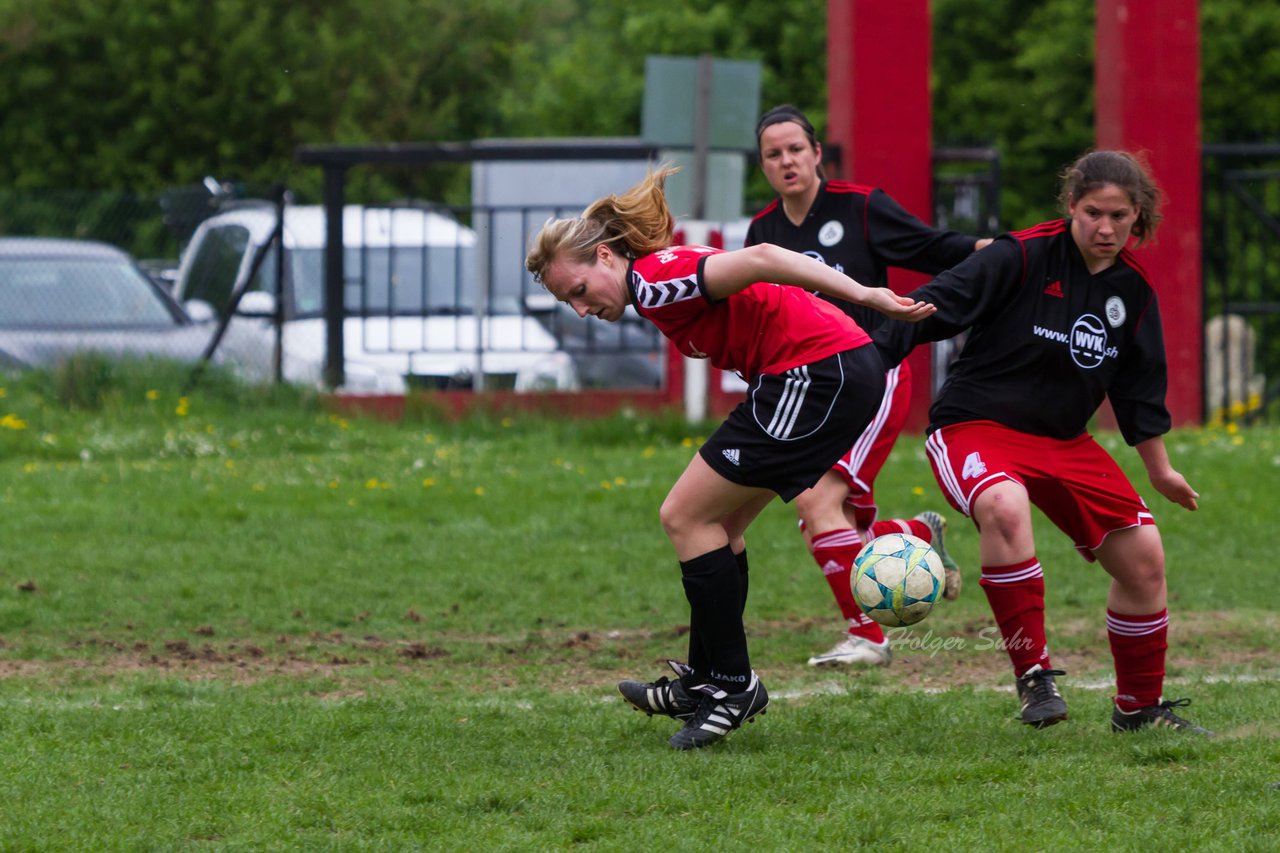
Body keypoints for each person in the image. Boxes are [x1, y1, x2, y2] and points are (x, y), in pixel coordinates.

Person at [525, 166, 935, 750]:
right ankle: (706, 679)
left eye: (580, 292)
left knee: (682, 516)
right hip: (819, 374)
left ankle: (732, 684)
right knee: (719, 526)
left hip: (816, 373)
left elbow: (765, 255)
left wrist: (867, 295)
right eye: (570, 303)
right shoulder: (651, 284)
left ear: (609, 259)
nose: (582, 310)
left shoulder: (655, 279)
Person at [872, 149, 1212, 734]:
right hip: (975, 425)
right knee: (1005, 505)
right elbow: (935, 306)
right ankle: (1034, 677)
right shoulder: (1022, 255)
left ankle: (1139, 709)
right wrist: (864, 361)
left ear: (1138, 216)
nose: (1106, 228)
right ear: (1072, 206)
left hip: (1063, 441)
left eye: (1120, 217)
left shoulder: (1131, 290)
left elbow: (1139, 388)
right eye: (1093, 213)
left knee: (1144, 558)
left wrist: (1159, 470)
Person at [747, 104, 991, 667]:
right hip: (808, 387)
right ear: (764, 166)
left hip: (871, 373)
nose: (786, 161)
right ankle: (916, 534)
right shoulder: (764, 233)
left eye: (794, 150)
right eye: (773, 154)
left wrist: (1015, 253)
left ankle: (868, 638)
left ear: (816, 155)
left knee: (816, 499)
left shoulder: (860, 208)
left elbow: (939, 247)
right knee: (826, 520)